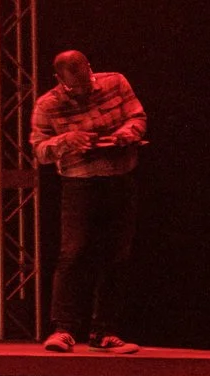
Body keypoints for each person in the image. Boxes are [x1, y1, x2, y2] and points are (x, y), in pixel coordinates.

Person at [29, 48, 148, 355]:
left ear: (90, 68)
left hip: (119, 177)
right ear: (59, 80)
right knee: (74, 252)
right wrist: (65, 141)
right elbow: (39, 150)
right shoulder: (48, 104)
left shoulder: (115, 83)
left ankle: (104, 332)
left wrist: (127, 133)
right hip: (79, 183)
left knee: (116, 254)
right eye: (74, 88)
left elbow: (137, 116)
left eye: (85, 83)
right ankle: (63, 329)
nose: (81, 91)